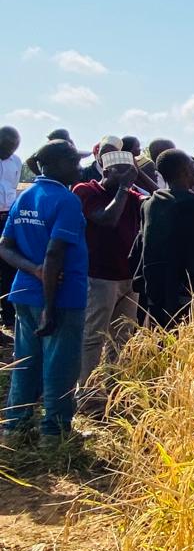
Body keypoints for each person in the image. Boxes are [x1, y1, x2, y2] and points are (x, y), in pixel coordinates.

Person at [0, 140, 88, 443]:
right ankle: (55, 432)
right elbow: (54, 255)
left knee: (26, 361)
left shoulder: (26, 197)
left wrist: (31, 270)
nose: (78, 168)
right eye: (73, 162)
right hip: (59, 299)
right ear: (57, 163)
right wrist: (50, 304)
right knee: (60, 364)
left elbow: (5, 247)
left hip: (24, 294)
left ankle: (15, 426)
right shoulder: (66, 200)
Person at [72, 150, 143, 411]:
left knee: (121, 338)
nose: (128, 177)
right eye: (121, 171)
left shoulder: (134, 198)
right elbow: (106, 220)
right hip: (99, 276)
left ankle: (114, 392)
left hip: (127, 277)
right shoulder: (86, 192)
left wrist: (134, 181)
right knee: (93, 337)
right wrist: (124, 187)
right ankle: (87, 397)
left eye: (130, 172)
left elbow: (157, 197)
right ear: (105, 171)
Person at [138, 150, 194, 328]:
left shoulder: (150, 204)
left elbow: (143, 246)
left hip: (157, 292)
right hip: (187, 295)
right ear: (185, 170)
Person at [0, 126, 22, 339]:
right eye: (6, 147)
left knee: (8, 268)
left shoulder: (16, 162)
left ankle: (8, 318)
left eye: (13, 148)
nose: (9, 152)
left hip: (7, 218)